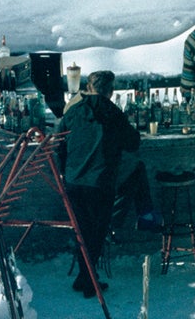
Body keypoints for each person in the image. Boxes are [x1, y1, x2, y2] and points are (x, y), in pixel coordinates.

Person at [57, 70, 139, 296]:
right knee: (96, 232)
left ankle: (85, 277)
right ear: (111, 91)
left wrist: (64, 171)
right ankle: (88, 280)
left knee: (82, 231)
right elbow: (133, 143)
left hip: (74, 180)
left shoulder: (73, 112)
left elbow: (58, 143)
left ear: (89, 87)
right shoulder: (114, 113)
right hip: (100, 181)